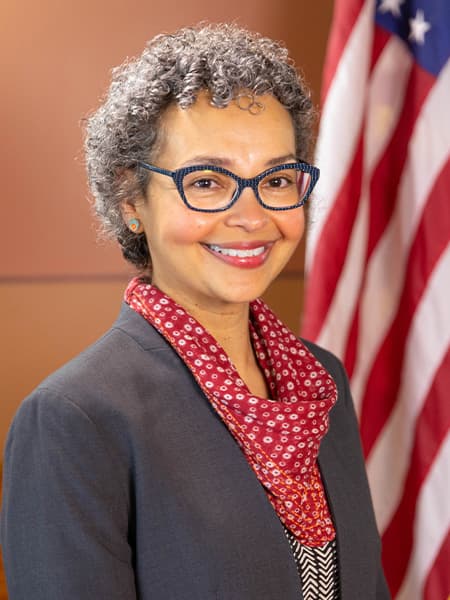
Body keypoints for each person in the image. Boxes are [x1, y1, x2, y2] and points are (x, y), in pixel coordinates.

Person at [0, 23, 390, 599]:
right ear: (132, 199)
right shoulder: (75, 418)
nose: (252, 217)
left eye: (277, 179)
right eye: (207, 181)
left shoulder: (320, 379)